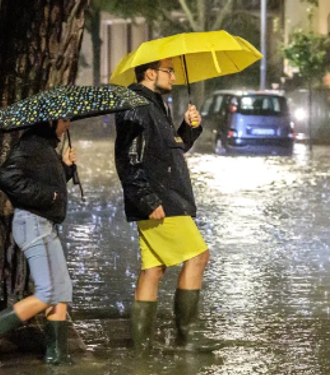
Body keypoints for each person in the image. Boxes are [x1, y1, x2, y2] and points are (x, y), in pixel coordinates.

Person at [114, 58, 215, 353]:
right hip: (161, 199)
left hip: (162, 196)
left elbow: (171, 148)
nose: (173, 76)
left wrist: (188, 127)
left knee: (153, 269)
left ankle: (142, 343)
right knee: (198, 256)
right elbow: (127, 157)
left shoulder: (154, 104)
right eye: (169, 71)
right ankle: (186, 336)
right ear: (150, 73)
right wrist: (146, 199)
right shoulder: (136, 105)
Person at [0, 119, 77, 366]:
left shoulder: (45, 147)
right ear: (50, 122)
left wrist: (66, 168)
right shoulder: (31, 145)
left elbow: (47, 181)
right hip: (33, 224)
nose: (68, 125)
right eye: (64, 120)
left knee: (61, 290)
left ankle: (56, 357)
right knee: (48, 291)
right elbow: (7, 177)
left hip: (45, 224)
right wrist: (46, 195)